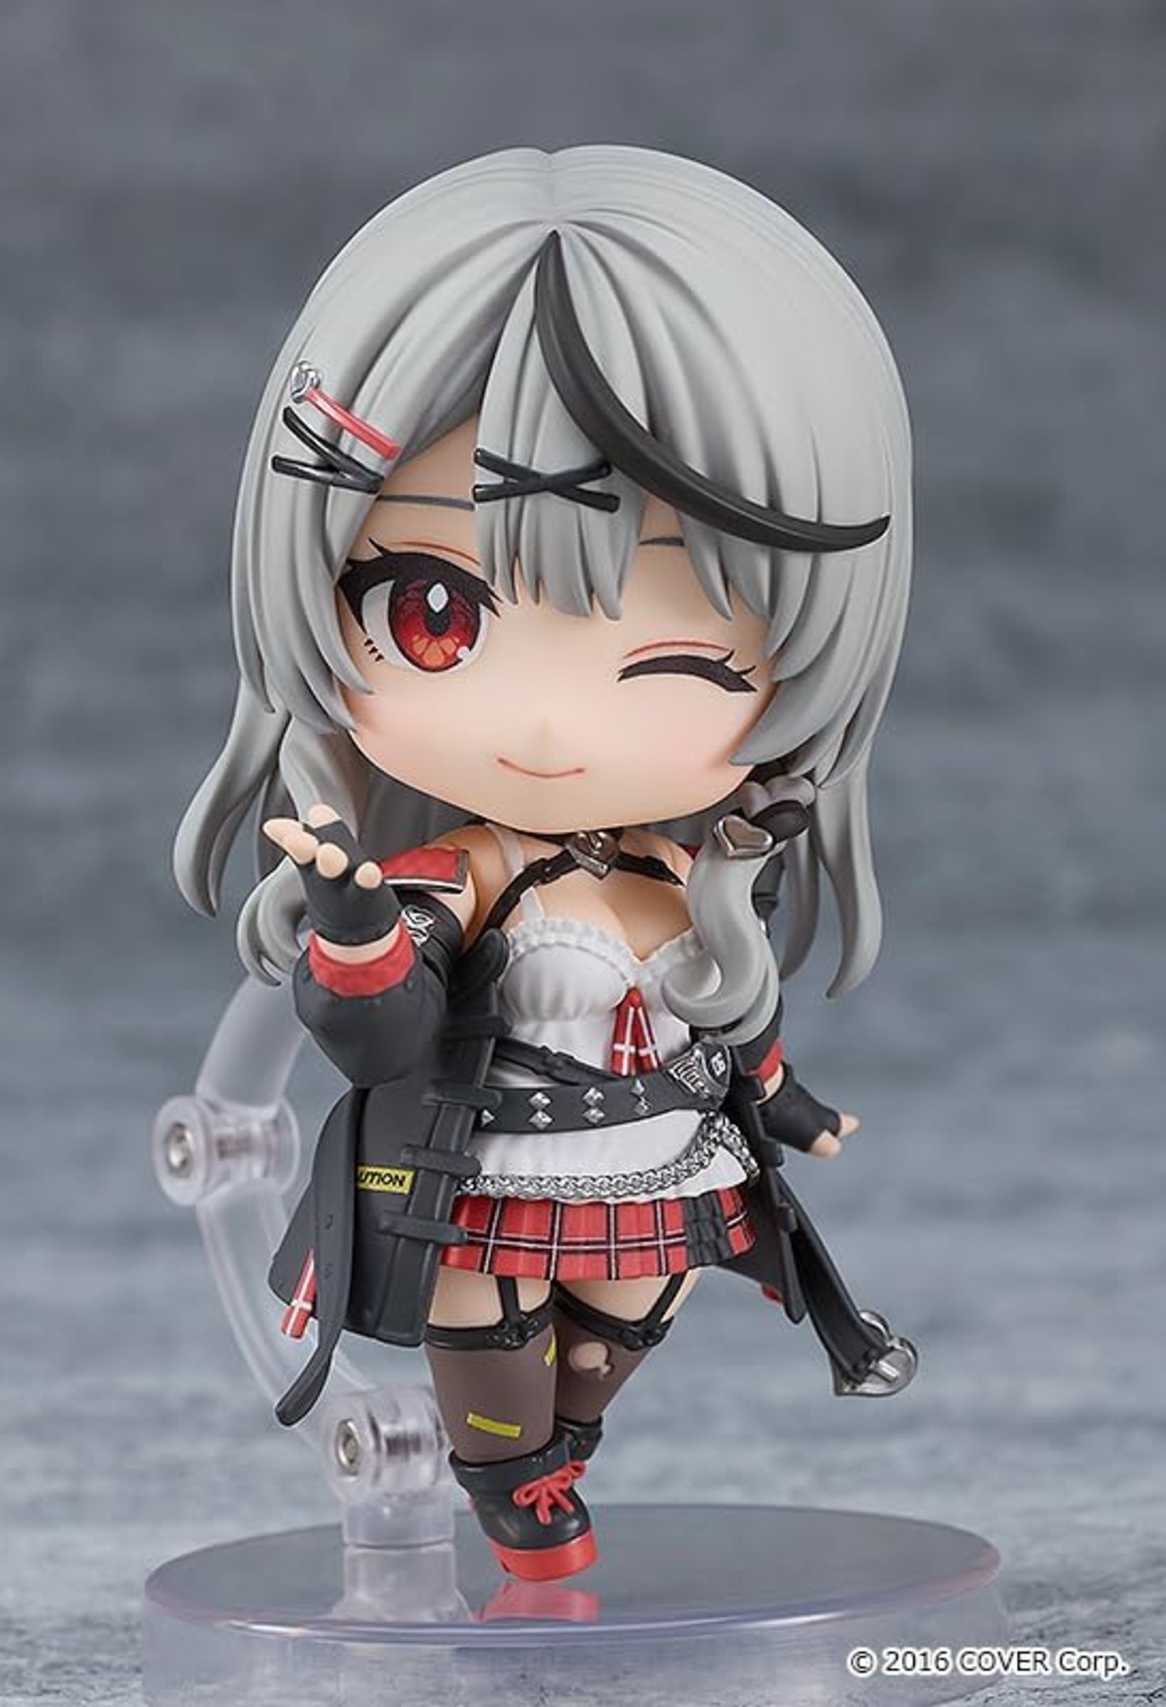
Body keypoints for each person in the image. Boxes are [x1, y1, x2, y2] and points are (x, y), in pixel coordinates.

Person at [175, 146, 916, 1582]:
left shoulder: (694, 875)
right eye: (436, 613)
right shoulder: (458, 874)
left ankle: (564, 1439)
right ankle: (512, 1479)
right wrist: (352, 918)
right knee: (487, 1308)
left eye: (681, 651)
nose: (547, 724)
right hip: (481, 1153)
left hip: (655, 1141)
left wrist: (785, 1098)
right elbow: (378, 1032)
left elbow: (728, 1009)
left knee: (639, 1300)